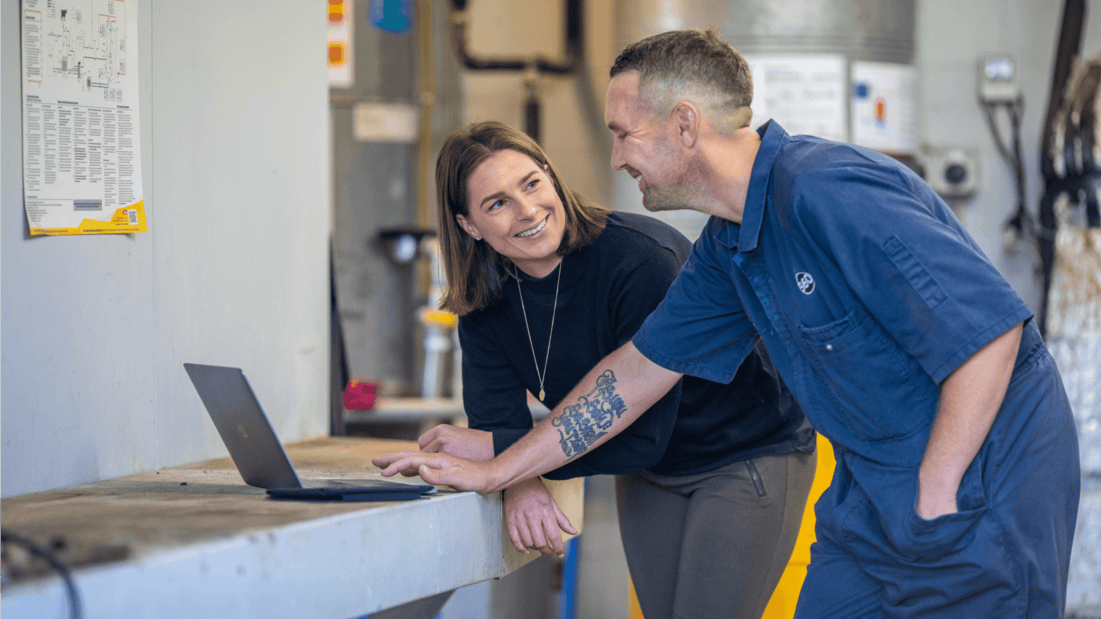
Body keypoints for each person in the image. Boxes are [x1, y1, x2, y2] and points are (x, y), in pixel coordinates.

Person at [375, 29, 1081, 618]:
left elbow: (989, 337)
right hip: (868, 501)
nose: (615, 156)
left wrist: (935, 487)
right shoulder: (726, 247)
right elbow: (632, 375)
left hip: (974, 483)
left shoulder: (831, 190)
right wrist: (501, 468)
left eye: (623, 134)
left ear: (683, 125)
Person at [413, 120, 816, 619]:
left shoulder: (639, 259)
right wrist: (518, 483)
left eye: (531, 184)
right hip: (651, 468)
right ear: (469, 225)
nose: (528, 211)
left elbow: (641, 433)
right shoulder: (484, 300)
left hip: (743, 451)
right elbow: (496, 417)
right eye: (497, 203)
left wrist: (500, 458)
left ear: (550, 175)